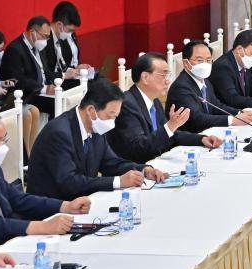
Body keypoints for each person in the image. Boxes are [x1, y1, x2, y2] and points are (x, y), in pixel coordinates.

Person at [25, 79, 169, 200]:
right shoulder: (59, 133)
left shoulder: (95, 126)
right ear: (91, 111)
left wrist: (144, 170)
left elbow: (111, 163)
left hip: (81, 202)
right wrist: (118, 181)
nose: (112, 122)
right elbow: (69, 182)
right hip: (52, 209)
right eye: (110, 115)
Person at [0, 108, 89, 250]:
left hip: (9, 242)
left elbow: (17, 199)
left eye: (4, 139)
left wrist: (65, 206)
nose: (2, 147)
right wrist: (42, 226)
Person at [106, 53, 222, 164]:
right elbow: (139, 148)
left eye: (168, 75)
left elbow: (170, 135)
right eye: (163, 75)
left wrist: (201, 139)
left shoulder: (154, 100)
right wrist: (170, 127)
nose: (168, 81)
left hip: (157, 162)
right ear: (145, 77)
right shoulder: (127, 104)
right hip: (137, 170)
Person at [166, 41, 252, 133]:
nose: (205, 64)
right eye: (200, 60)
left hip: (210, 132)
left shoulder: (205, 81)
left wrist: (239, 113)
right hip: (191, 137)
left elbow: (216, 106)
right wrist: (232, 120)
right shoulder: (181, 87)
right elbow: (198, 119)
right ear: (186, 63)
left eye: (208, 60)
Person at [0, 16, 57, 115]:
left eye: (48, 37)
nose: (46, 40)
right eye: (44, 36)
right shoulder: (15, 49)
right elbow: (18, 79)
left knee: (66, 96)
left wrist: (60, 78)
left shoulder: (38, 46)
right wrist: (43, 89)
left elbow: (45, 71)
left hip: (42, 90)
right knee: (57, 104)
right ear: (32, 32)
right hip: (27, 94)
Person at [210, 30, 252, 110]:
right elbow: (232, 99)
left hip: (244, 110)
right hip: (228, 113)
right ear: (239, 49)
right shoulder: (223, 67)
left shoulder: (243, 63)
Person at [44, 1, 89, 90]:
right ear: (59, 25)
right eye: (70, 30)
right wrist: (64, 75)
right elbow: (44, 73)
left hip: (65, 79)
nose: (71, 34)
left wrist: (76, 68)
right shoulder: (44, 41)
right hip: (53, 85)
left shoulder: (62, 35)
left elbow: (65, 64)